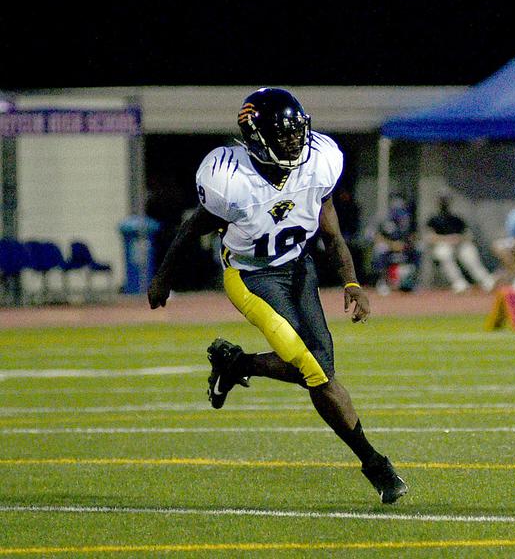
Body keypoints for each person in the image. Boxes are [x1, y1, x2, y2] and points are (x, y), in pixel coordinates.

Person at [147, 88, 408, 504]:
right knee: (313, 368)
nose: (293, 142)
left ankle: (236, 363)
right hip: (251, 276)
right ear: (255, 136)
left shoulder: (319, 162)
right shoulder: (230, 181)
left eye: (295, 133)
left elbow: (332, 232)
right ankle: (375, 464)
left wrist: (352, 282)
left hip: (297, 266)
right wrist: (164, 278)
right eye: (282, 135)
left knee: (320, 363)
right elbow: (188, 230)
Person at [425, 194, 496, 293]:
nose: (444, 204)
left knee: (469, 254)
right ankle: (459, 284)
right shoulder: (433, 219)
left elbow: (468, 235)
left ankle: (486, 281)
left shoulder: (456, 219)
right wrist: (447, 239)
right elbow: (430, 237)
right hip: (443, 244)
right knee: (444, 254)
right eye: (442, 201)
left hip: (460, 244)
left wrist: (459, 238)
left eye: (445, 201)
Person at [371, 195, 420, 294]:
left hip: (404, 248)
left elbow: (415, 236)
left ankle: (413, 283)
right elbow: (377, 237)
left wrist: (406, 244)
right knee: (380, 249)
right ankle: (382, 282)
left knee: (419, 248)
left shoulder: (408, 221)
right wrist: (392, 244)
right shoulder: (384, 220)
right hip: (389, 247)